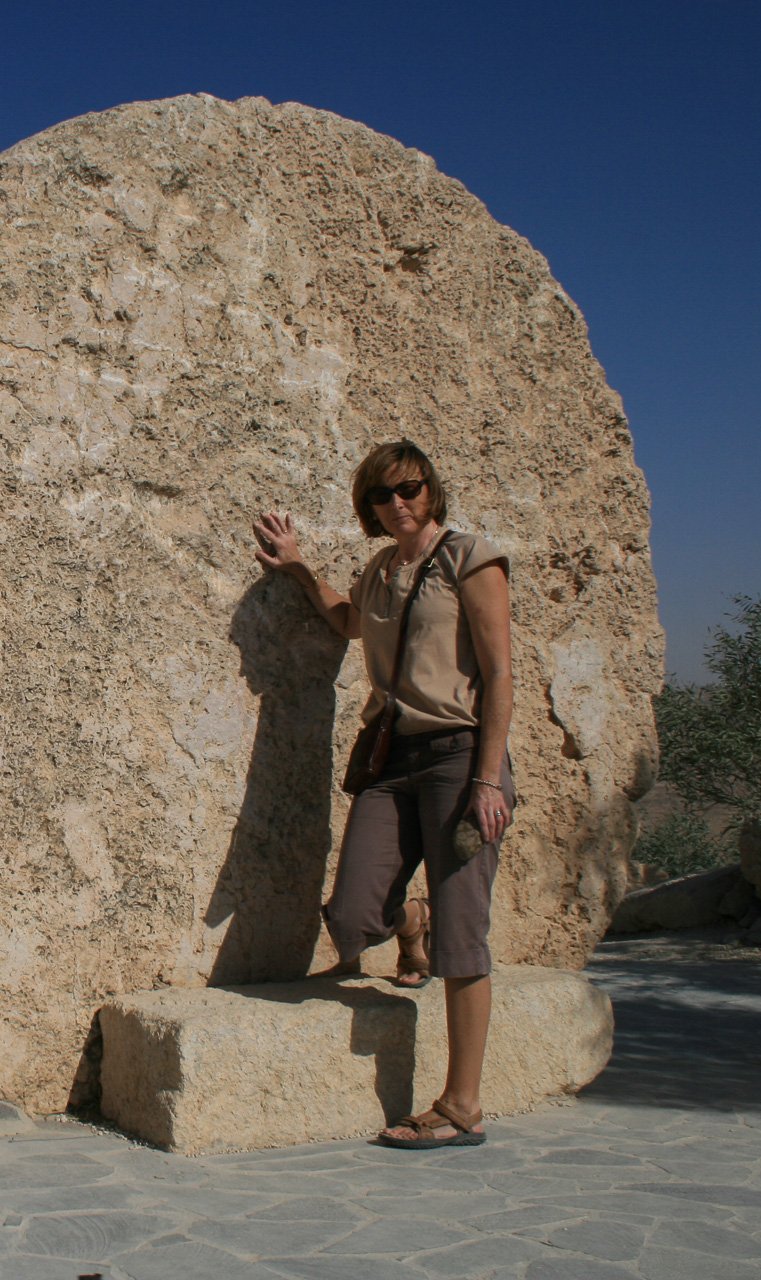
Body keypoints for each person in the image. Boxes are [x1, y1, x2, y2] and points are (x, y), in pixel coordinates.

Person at [251, 440, 514, 1150]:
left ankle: (461, 1106)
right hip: (392, 758)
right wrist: (298, 566)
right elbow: (348, 622)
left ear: (431, 489)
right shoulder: (381, 570)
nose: (398, 503)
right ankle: (411, 919)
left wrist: (489, 778)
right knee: (350, 915)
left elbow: (499, 673)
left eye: (410, 488)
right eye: (382, 494)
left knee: (464, 936)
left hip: (460, 757)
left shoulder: (470, 559)